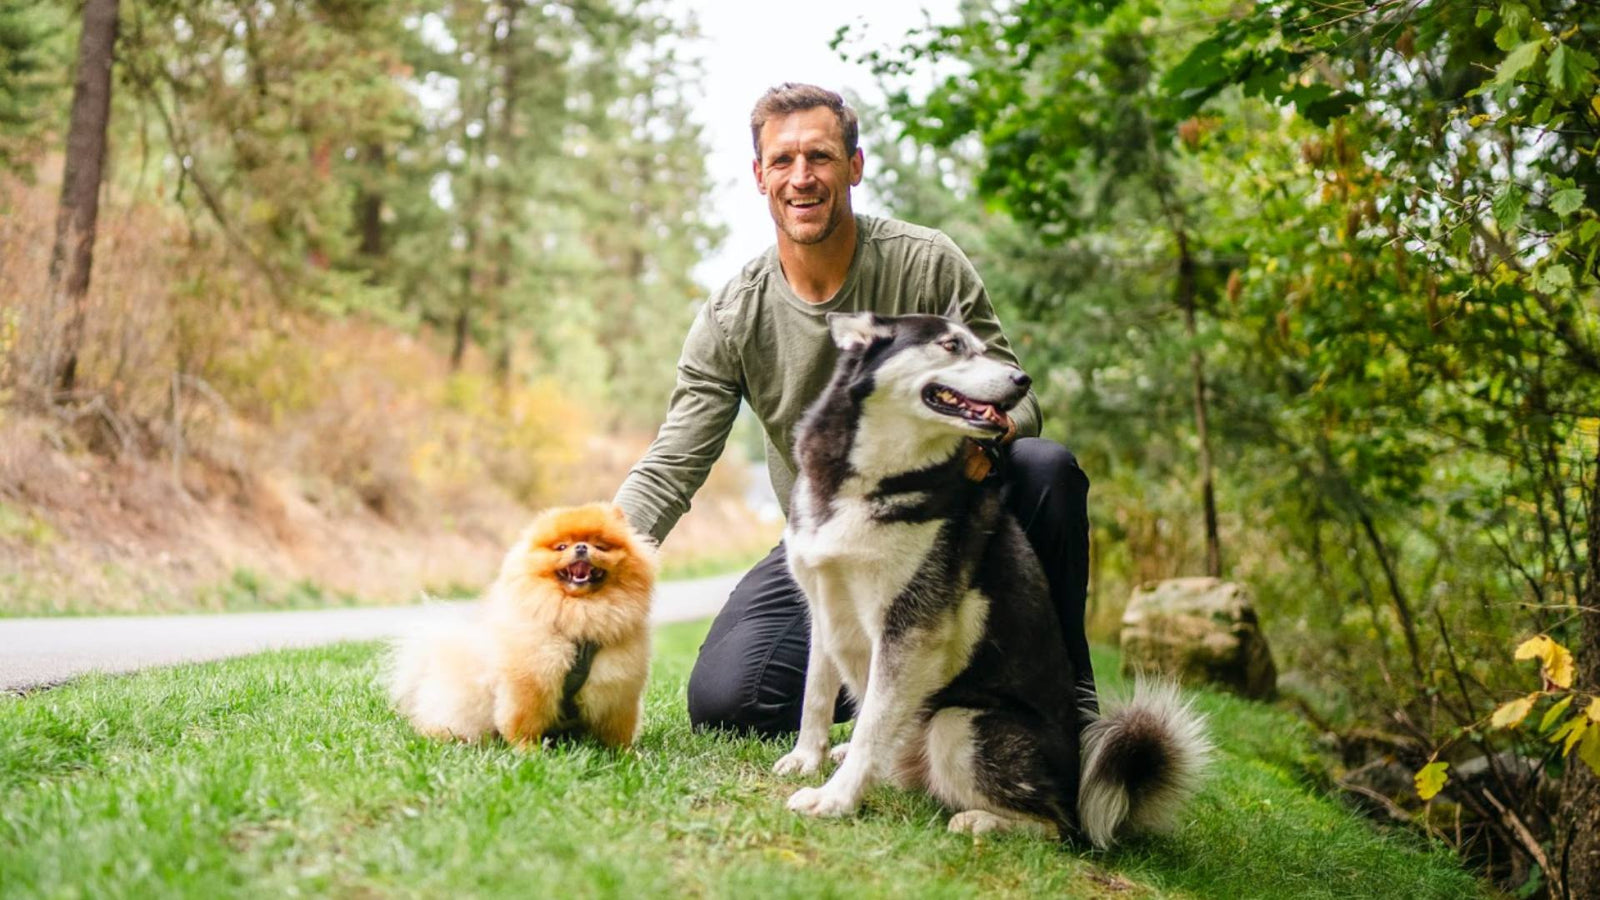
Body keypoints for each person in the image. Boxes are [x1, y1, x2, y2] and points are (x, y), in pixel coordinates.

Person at [613, 83, 1092, 736]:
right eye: (782, 161)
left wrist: (987, 440)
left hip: (948, 517)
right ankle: (920, 683)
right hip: (834, 540)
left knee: (1046, 469)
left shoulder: (927, 265)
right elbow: (674, 462)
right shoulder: (734, 314)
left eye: (821, 157)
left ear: (855, 167)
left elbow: (1018, 397)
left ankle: (1073, 705)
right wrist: (594, 550)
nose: (801, 177)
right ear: (759, 176)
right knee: (729, 703)